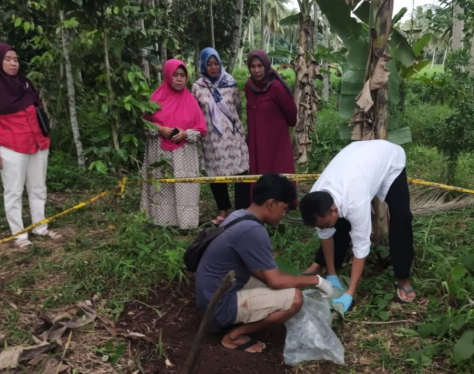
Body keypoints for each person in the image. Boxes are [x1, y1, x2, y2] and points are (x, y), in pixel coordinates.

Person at [195, 173, 333, 354]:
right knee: (295, 299)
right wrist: (316, 281)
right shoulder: (253, 230)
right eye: (284, 208)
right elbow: (275, 281)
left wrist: (284, 281)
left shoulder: (240, 215)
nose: (284, 214)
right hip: (218, 306)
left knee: (278, 285)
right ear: (270, 203)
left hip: (210, 293)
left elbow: (261, 272)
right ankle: (234, 336)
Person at [0, 43, 62, 249]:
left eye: (15, 59)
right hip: (10, 147)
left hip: (37, 143)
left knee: (38, 188)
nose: (13, 63)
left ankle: (40, 227)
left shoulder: (23, 83)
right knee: (14, 192)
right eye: (7, 59)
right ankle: (19, 235)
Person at [299, 140, 416, 312]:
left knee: (402, 217)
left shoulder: (355, 201)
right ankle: (324, 264)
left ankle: (403, 277)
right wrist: (331, 275)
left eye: (323, 224)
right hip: (357, 159)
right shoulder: (315, 201)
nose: (322, 228)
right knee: (336, 224)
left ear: (333, 209)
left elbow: (361, 246)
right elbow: (325, 234)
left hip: (389, 161)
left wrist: (350, 293)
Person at [140, 59, 207, 229]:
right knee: (162, 187)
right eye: (175, 75)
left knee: (184, 188)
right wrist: (159, 129)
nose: (179, 79)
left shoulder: (191, 101)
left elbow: (201, 130)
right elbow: (145, 126)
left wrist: (185, 134)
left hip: (184, 155)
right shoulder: (155, 99)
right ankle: (161, 222)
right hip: (159, 153)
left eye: (183, 75)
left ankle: (185, 223)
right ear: (168, 76)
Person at [191, 47, 250, 226]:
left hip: (233, 137)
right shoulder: (197, 87)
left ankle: (241, 210)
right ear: (203, 65)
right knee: (216, 175)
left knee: (241, 171)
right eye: (209, 64)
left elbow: (238, 108)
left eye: (216, 63)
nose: (213, 67)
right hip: (211, 140)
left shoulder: (230, 83)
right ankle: (223, 211)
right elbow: (195, 112)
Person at [244, 50, 298, 209]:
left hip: (276, 139)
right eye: (253, 66)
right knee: (260, 170)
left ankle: (284, 205)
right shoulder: (249, 86)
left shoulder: (276, 86)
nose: (256, 70)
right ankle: (262, 205)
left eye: (260, 65)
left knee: (279, 169)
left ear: (266, 66)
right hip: (257, 139)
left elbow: (292, 114)